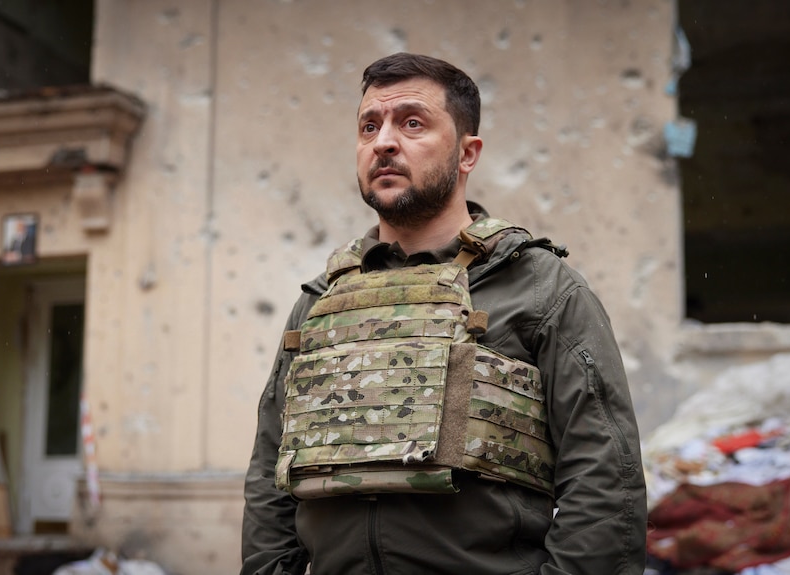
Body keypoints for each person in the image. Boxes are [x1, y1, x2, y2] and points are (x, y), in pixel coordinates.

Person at [241, 52, 647, 575]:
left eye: (412, 122)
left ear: (467, 153)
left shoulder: (541, 288)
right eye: (369, 126)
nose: (384, 141)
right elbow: (270, 477)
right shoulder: (319, 301)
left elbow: (606, 482)